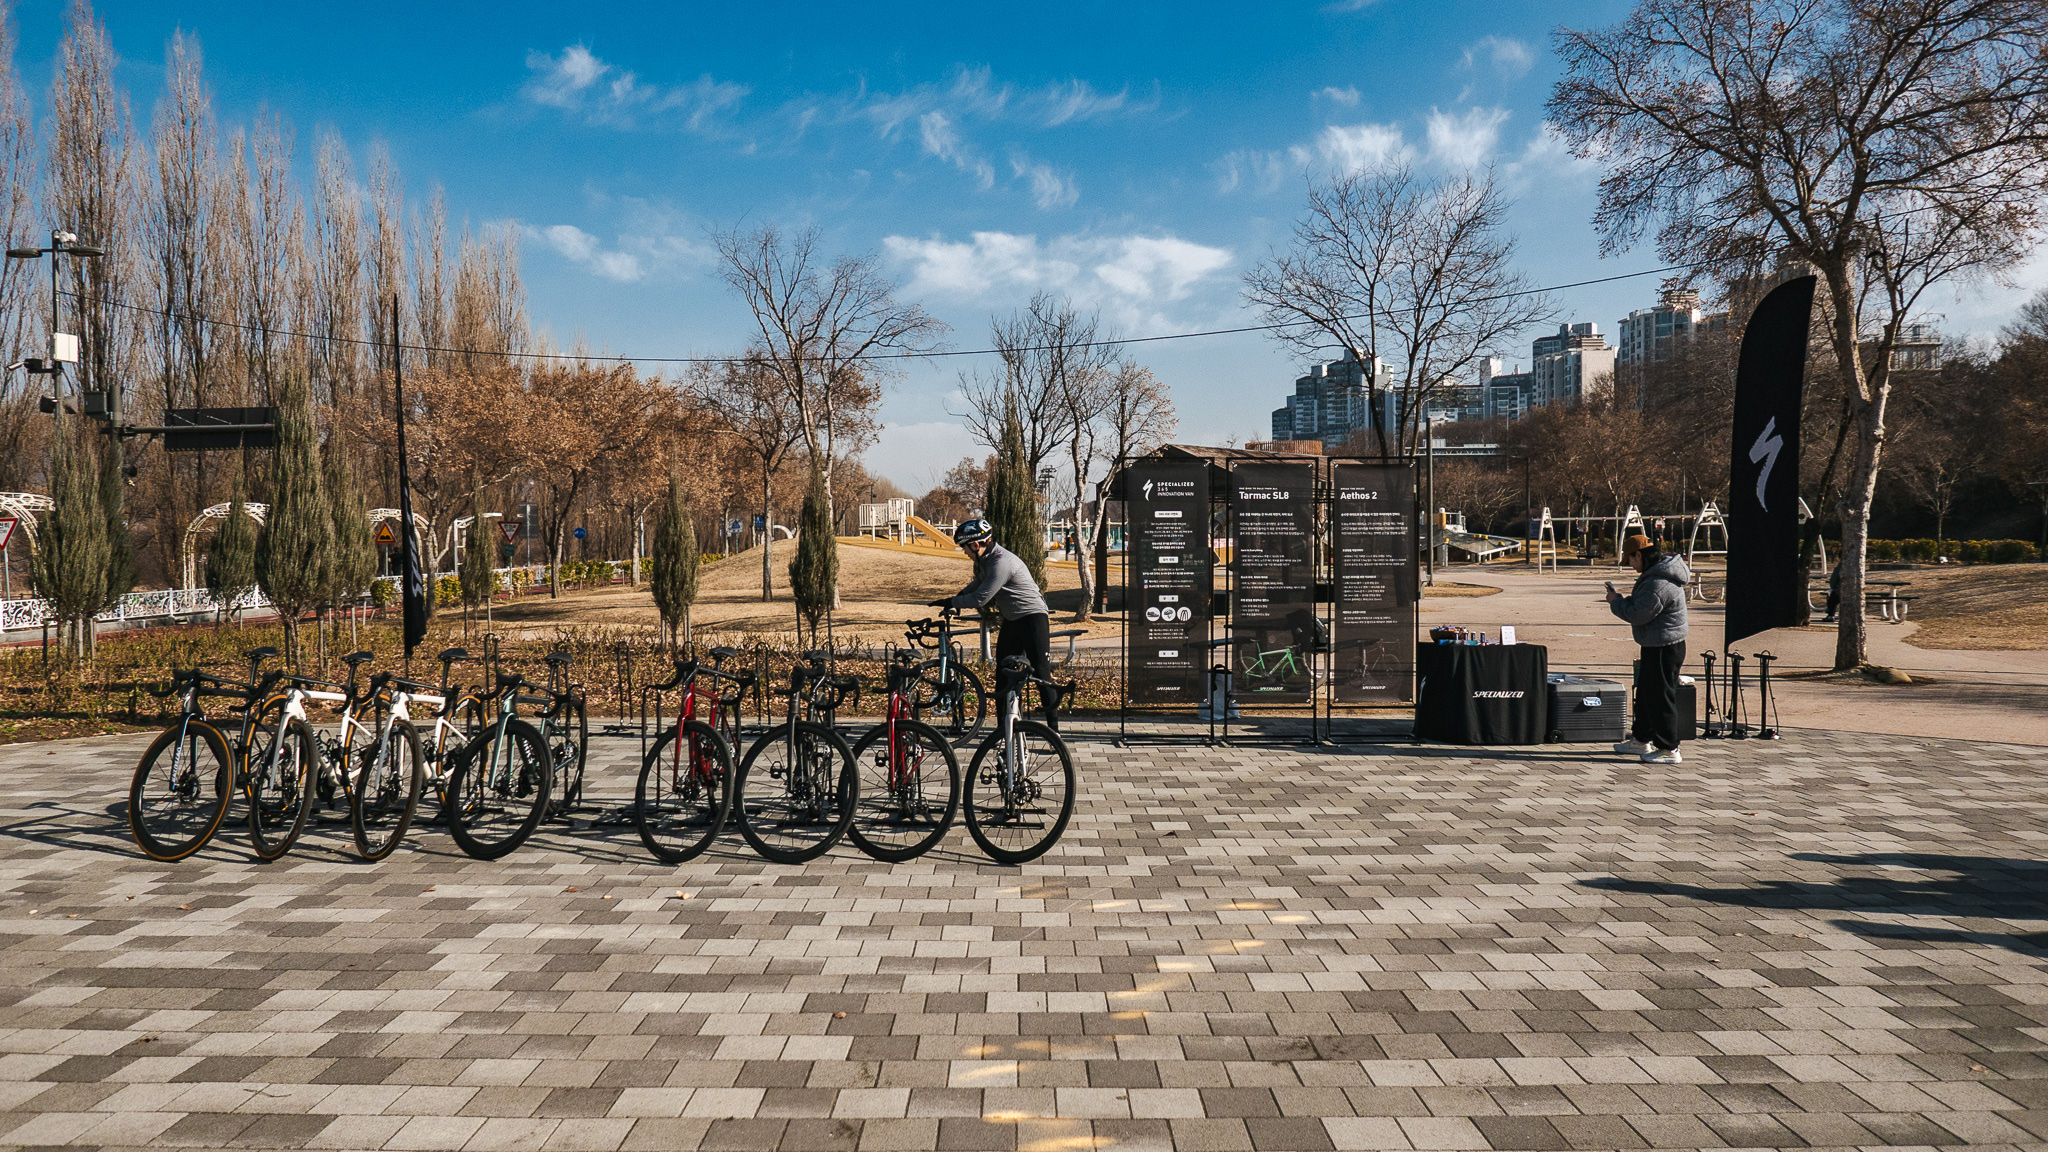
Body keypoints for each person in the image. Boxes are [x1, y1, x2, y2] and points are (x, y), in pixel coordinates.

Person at [935, 517, 1057, 730]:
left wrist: (952, 602)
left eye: (964, 547)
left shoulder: (1001, 562)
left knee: (1041, 674)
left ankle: (1055, 732)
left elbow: (981, 598)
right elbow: (979, 582)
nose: (964, 552)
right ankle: (1003, 730)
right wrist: (958, 597)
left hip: (1033, 618)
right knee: (1003, 675)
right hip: (1013, 620)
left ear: (976, 545)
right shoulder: (987, 559)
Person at [1606, 533, 1691, 764]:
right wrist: (1622, 600)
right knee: (1645, 694)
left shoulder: (1658, 583)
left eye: (1631, 560)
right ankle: (1641, 740)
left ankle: (1669, 748)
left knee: (1661, 697)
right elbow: (1641, 607)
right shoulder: (1657, 575)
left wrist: (1615, 602)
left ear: (1639, 555)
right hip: (1657, 643)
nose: (1631, 565)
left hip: (1665, 647)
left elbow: (1638, 614)